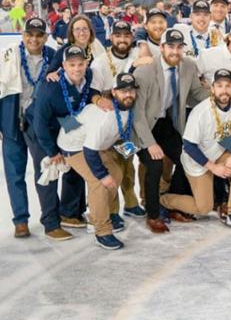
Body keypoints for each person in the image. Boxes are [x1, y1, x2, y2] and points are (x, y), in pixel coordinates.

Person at [132, 28, 209, 234]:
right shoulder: (145, 71)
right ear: (162, 48)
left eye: (178, 47)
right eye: (170, 47)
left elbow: (195, 94)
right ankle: (153, 213)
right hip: (143, 125)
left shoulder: (188, 66)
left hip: (166, 123)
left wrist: (220, 95)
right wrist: (150, 143)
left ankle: (173, 203)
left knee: (187, 156)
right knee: (155, 164)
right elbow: (136, 114)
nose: (175, 51)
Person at [160, 69, 231, 230]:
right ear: (212, 88)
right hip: (198, 156)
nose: (224, 90)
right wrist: (213, 167)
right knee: (203, 208)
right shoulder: (201, 112)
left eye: (228, 85)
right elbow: (189, 146)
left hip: (221, 143)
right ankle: (162, 200)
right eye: (219, 86)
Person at [56, 72, 140, 250]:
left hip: (93, 141)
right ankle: (101, 230)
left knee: (116, 173)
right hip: (74, 145)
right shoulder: (105, 116)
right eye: (123, 91)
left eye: (132, 90)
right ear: (113, 92)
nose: (128, 94)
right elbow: (89, 150)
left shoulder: (126, 109)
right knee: (100, 182)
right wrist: (102, 175)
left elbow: (117, 137)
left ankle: (97, 212)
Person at [26, 44, 102, 237]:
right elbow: (40, 124)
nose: (77, 68)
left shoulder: (90, 76)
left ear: (87, 63)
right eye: (71, 64)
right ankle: (51, 224)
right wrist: (52, 151)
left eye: (80, 64)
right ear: (63, 66)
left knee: (76, 165)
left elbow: (89, 94)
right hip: (41, 128)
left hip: (67, 123)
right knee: (49, 172)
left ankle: (69, 213)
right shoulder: (50, 87)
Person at [0, 18, 58, 238]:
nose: (34, 39)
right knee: (15, 173)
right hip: (11, 121)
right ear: (23, 35)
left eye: (38, 35)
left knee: (44, 170)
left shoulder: (53, 56)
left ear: (45, 37)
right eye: (29, 34)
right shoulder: (8, 55)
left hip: (40, 125)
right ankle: (20, 220)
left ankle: (50, 218)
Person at [89, 21, 145, 218]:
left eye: (126, 35)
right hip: (110, 124)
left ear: (132, 37)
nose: (122, 39)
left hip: (129, 122)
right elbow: (92, 92)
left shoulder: (137, 55)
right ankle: (112, 212)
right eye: (118, 35)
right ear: (110, 37)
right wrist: (101, 100)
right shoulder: (100, 62)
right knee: (113, 168)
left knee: (128, 165)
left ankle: (130, 203)